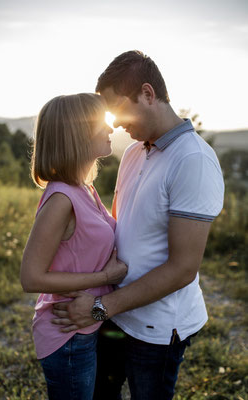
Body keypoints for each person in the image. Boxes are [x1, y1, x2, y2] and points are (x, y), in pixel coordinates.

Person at [52, 51, 225, 400]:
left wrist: (100, 309)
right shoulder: (133, 152)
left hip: (156, 329)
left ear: (148, 94)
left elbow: (182, 270)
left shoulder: (193, 161)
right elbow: (119, 229)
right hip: (115, 313)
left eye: (118, 109)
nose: (114, 123)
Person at [20, 93, 128, 400]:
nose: (110, 128)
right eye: (100, 123)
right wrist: (105, 278)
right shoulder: (61, 200)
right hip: (67, 334)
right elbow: (31, 278)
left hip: (89, 323)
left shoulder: (85, 188)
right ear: (76, 133)